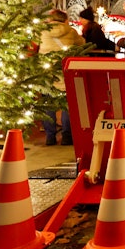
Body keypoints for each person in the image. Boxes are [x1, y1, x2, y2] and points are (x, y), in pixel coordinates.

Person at [39, 9, 85, 146]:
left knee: (48, 104)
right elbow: (82, 43)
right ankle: (66, 136)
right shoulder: (71, 31)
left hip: (48, 71)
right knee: (67, 105)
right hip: (65, 70)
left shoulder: (43, 31)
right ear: (65, 19)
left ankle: (50, 137)